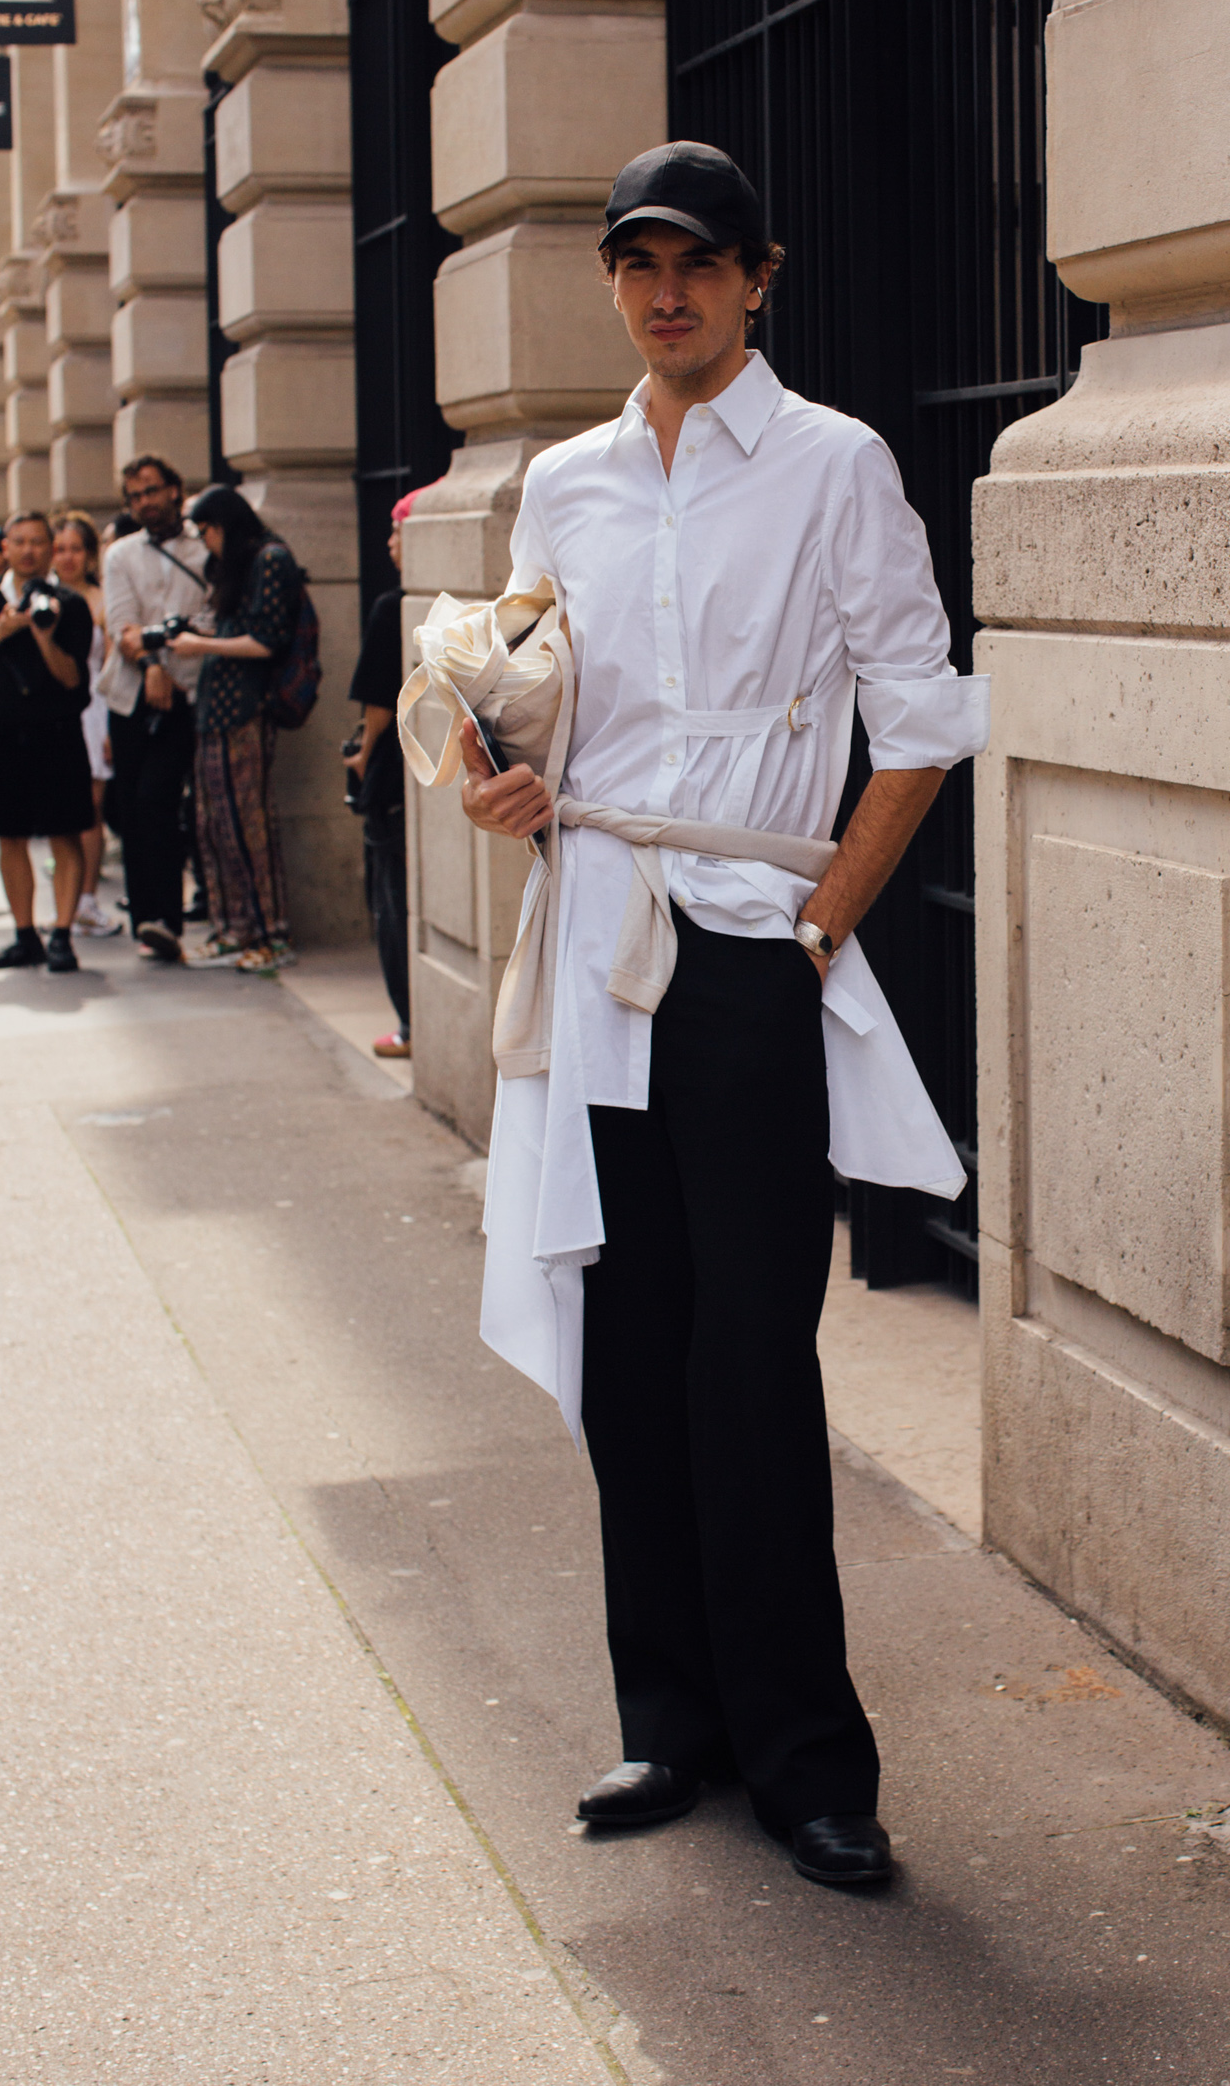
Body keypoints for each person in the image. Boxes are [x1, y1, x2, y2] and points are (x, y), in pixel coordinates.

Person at [456, 141, 988, 1889]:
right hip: (594, 943)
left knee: (750, 1360)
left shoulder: (835, 465)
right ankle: (668, 1724)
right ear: (612, 282)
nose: (664, 289)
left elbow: (917, 717)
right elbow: (534, 705)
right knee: (630, 1359)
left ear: (759, 274)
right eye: (635, 263)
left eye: (697, 261)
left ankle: (807, 1759)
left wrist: (820, 926)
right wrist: (501, 786)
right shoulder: (567, 483)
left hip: (751, 948)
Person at [166, 485, 305, 972]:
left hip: (246, 710)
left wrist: (200, 646)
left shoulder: (270, 559)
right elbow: (230, 627)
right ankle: (233, 928)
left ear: (221, 525)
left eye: (204, 531)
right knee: (211, 825)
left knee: (249, 827)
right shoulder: (235, 568)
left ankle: (272, 934)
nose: (204, 542)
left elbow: (267, 641)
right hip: (213, 710)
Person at [101, 454, 213, 962]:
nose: (144, 501)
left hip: (188, 697)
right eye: (134, 495)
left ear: (174, 489)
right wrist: (152, 663)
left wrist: (165, 659)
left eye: (151, 490)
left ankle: (166, 915)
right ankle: (146, 919)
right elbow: (121, 626)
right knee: (131, 806)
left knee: (159, 802)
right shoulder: (120, 555)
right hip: (129, 699)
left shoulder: (204, 549)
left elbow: (210, 621)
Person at [0, 509, 95, 973]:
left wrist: (42, 635)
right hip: (4, 736)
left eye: (38, 542)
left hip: (57, 734)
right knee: (10, 836)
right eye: (20, 542)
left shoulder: (69, 604)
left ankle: (62, 933)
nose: (29, 551)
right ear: (6, 548)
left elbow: (74, 680)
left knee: (64, 832)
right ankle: (23, 934)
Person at [344, 487, 423, 1056]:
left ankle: (411, 1026)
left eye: (397, 529)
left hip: (395, 770)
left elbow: (378, 705)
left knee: (393, 903)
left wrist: (363, 755)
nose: (389, 542)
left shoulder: (391, 606)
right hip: (434, 767)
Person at [50, 511, 119, 937]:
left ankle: (87, 900)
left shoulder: (101, 599)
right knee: (60, 813)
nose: (68, 557)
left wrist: (112, 725)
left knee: (88, 809)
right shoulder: (39, 599)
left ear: (90, 554)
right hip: (53, 714)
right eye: (60, 549)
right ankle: (67, 901)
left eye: (76, 548)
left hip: (95, 709)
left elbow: (111, 664)